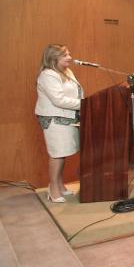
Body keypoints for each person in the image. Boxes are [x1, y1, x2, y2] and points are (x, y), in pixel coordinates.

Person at [35, 44, 82, 202]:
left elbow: (77, 92)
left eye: (69, 53)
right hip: (54, 119)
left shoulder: (67, 71)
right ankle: (53, 188)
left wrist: (84, 102)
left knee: (63, 153)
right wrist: (84, 104)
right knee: (57, 154)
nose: (70, 57)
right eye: (65, 55)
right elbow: (58, 100)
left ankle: (60, 185)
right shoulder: (47, 75)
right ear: (54, 58)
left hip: (68, 118)